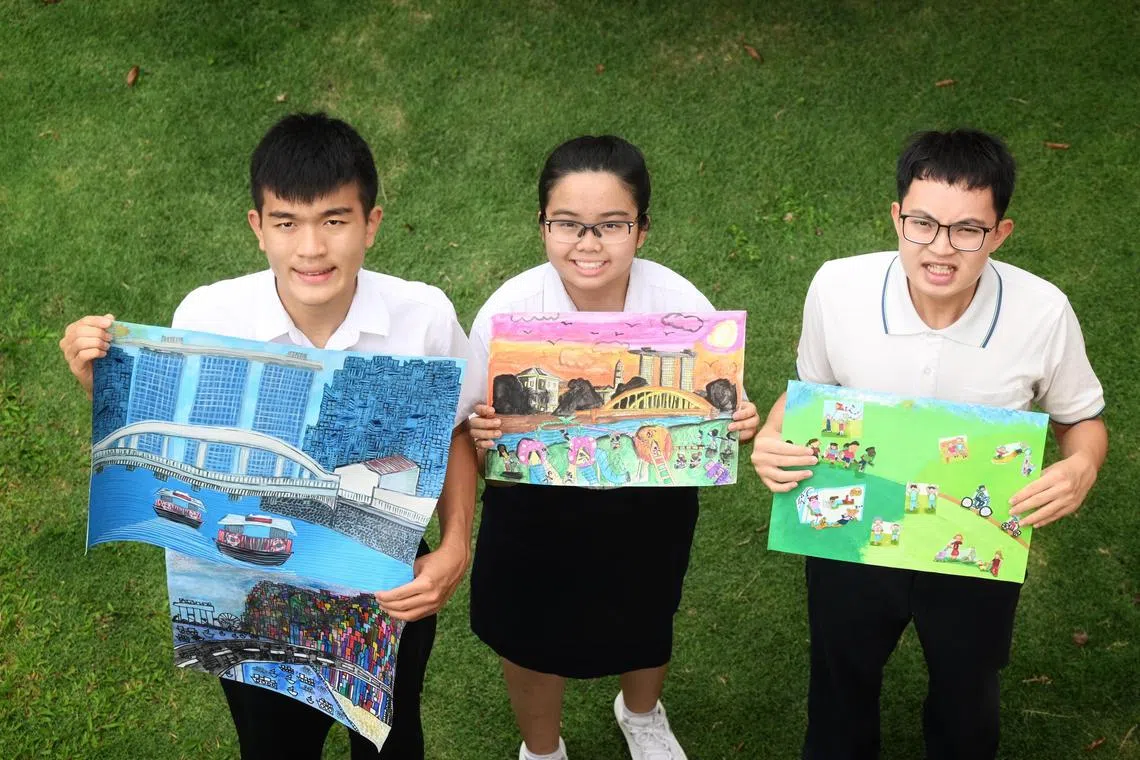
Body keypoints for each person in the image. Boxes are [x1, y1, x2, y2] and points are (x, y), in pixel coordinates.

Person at [58, 113, 482, 760]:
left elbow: (454, 430)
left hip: (388, 579)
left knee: (393, 738)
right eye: (287, 223)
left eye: (334, 220)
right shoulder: (207, 315)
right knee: (273, 745)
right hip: (247, 590)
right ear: (257, 228)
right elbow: (174, 439)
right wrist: (104, 388)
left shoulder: (424, 317)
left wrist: (455, 546)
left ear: (371, 223)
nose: (311, 248)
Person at [749, 128, 1107, 760]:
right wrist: (775, 434)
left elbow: (1081, 418)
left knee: (968, 696)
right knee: (838, 683)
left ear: (1000, 233)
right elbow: (810, 392)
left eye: (968, 230)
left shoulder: (1044, 311)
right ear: (897, 217)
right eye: (922, 224)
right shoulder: (836, 287)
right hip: (850, 532)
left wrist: (1082, 465)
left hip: (976, 539)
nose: (941, 248)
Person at [465, 135, 760, 760]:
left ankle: (641, 714)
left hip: (648, 503)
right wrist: (481, 433)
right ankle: (541, 749)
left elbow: (721, 398)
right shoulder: (507, 311)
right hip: (533, 506)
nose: (589, 243)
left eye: (611, 225)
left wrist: (738, 419)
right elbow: (467, 426)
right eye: (568, 224)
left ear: (642, 229)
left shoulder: (681, 305)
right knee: (527, 632)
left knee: (648, 614)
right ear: (542, 225)